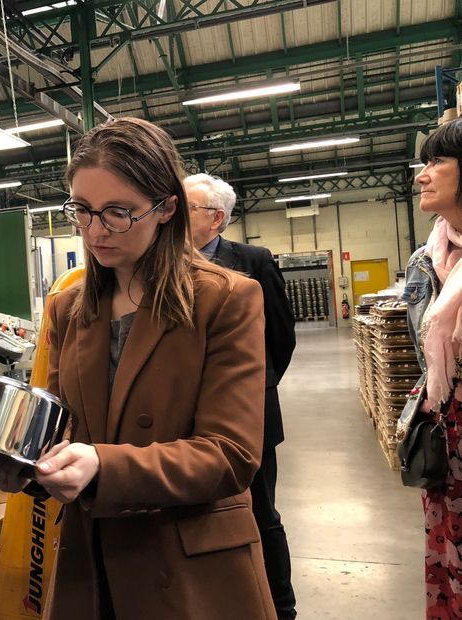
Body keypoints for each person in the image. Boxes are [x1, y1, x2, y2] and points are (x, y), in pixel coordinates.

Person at [0, 118, 275, 619]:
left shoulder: (226, 299)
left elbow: (231, 455)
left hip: (189, 577)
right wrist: (24, 467)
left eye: (118, 212)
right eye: (83, 211)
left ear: (166, 209)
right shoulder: (69, 310)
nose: (96, 230)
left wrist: (102, 467)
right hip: (90, 572)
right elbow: (59, 434)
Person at [184, 173, 297, 620]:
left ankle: (281, 607)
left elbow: (281, 336)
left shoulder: (251, 260)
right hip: (190, 413)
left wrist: (255, 387)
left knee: (261, 510)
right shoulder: (165, 264)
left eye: (187, 206)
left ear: (216, 219)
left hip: (252, 414)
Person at [398, 118, 462, 617]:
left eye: (437, 161)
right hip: (447, 428)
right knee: (449, 557)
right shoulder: (426, 259)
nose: (422, 174)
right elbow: (426, 357)